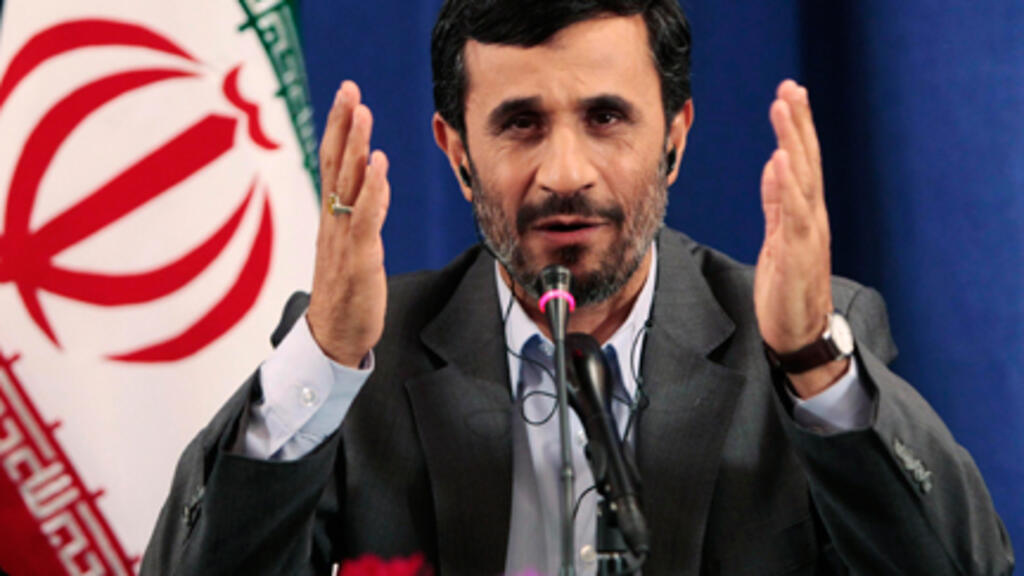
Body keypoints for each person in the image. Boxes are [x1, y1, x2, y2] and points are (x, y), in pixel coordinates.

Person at [142, 1, 1014, 574]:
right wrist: (324, 363)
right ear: (458, 155)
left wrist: (814, 365)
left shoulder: (798, 345)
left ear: (674, 138)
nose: (565, 173)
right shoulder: (363, 360)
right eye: (520, 124)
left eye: (605, 118)